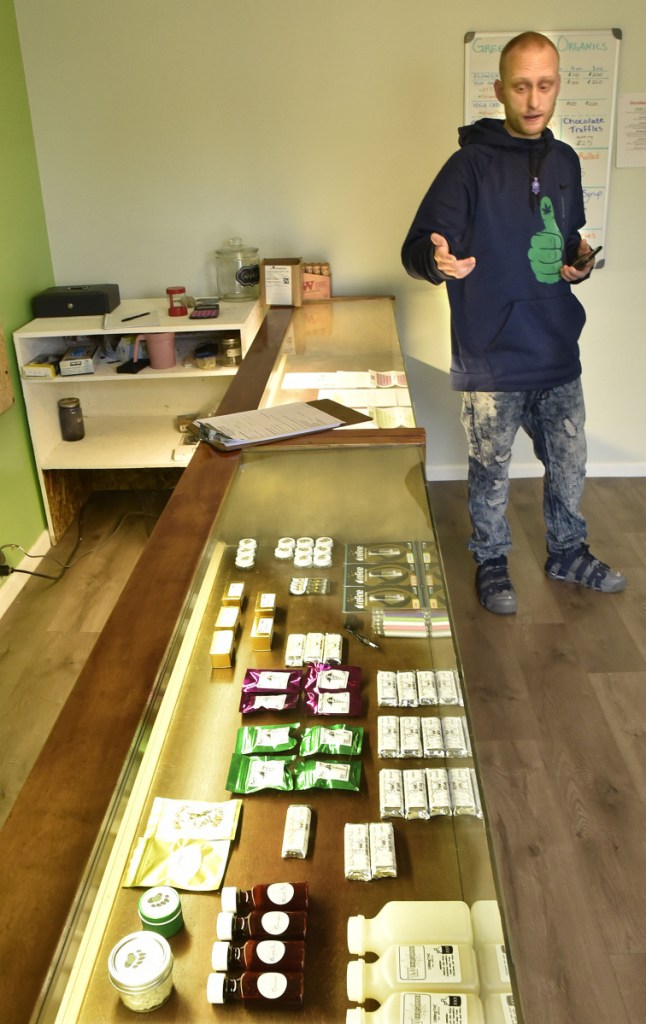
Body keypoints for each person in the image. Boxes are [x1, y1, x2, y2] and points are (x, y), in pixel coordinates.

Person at [401, 30, 626, 614]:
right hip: (491, 350)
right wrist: (436, 258)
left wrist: (580, 263)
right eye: (521, 86)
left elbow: (566, 241)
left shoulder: (566, 161)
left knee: (570, 461)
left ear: (558, 88)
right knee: (490, 467)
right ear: (499, 89)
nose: (533, 100)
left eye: (544, 86)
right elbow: (417, 247)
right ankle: (492, 559)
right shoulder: (468, 165)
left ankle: (567, 551)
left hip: (555, 342)